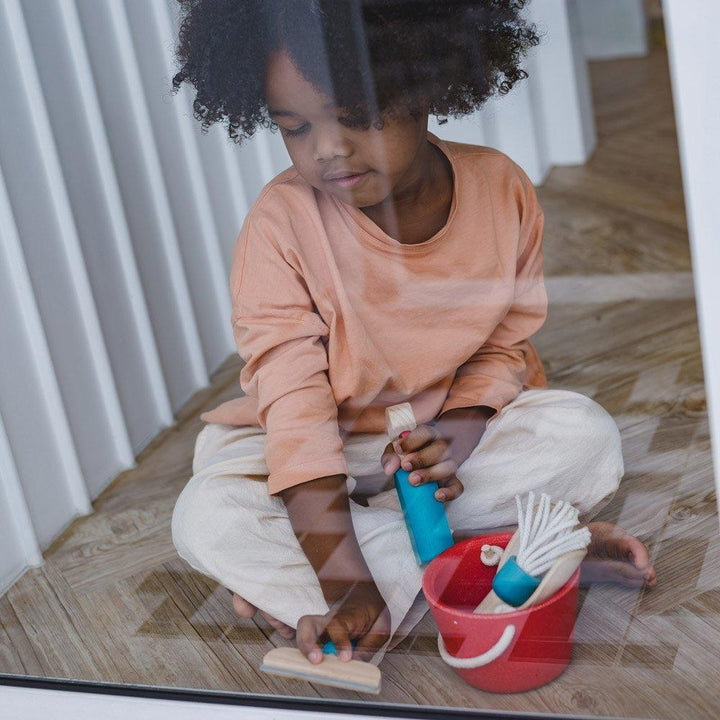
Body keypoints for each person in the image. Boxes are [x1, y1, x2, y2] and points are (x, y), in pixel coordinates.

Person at [169, 0, 657, 668]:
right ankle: (516, 557)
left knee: (586, 437)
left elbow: (501, 345)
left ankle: (340, 583)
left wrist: (454, 437)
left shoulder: (501, 188)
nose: (329, 147)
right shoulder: (279, 225)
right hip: (316, 451)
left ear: (426, 83)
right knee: (207, 514)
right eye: (296, 127)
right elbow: (294, 406)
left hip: (436, 449)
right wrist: (348, 582)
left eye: (354, 115)